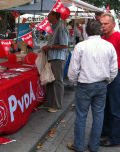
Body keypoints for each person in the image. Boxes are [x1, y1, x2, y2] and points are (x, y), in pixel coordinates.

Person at [67, 19, 118, 152]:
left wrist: (74, 82)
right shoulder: (108, 46)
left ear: (87, 31)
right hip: (101, 85)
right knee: (98, 116)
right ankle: (94, 146)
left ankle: (78, 145)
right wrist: (107, 81)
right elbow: (114, 70)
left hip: (84, 85)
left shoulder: (81, 46)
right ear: (100, 30)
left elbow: (73, 70)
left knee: (81, 116)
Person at [40, 11, 69, 113]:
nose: (47, 17)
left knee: (57, 82)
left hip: (58, 58)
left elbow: (65, 45)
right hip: (52, 57)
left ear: (54, 16)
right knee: (51, 80)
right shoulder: (54, 27)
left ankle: (58, 105)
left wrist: (50, 47)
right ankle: (48, 103)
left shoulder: (61, 27)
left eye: (49, 15)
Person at [99, 13, 120, 147]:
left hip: (116, 74)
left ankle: (115, 138)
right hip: (105, 75)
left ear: (113, 24)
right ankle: (106, 131)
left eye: (106, 24)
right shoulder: (102, 38)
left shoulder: (117, 37)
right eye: (101, 24)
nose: (103, 26)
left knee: (115, 107)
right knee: (106, 106)